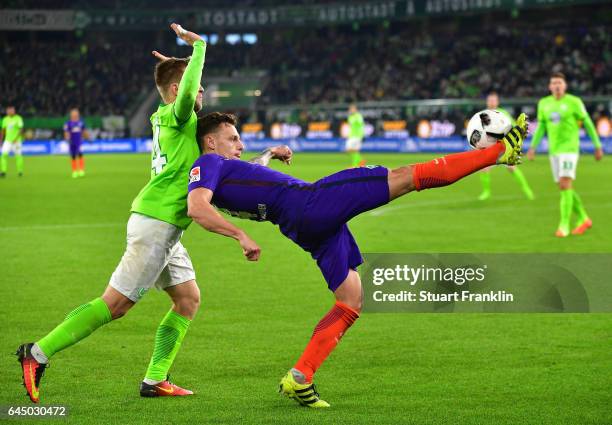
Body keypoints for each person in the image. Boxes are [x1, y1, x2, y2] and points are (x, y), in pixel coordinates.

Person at [186, 112, 528, 408]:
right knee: (407, 177)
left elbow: (249, 172)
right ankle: (499, 152)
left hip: (302, 226)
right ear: (211, 143)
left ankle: (300, 376)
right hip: (311, 203)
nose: (239, 145)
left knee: (350, 299)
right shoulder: (208, 163)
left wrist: (270, 153)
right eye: (232, 139)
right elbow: (197, 206)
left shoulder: (225, 169)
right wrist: (240, 236)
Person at [17, 23, 209, 403]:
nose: (202, 90)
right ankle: (36, 353)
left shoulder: (166, 118)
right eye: (197, 84)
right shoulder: (177, 114)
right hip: (156, 225)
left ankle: (155, 379)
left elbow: (183, 90)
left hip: (168, 229)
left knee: (187, 298)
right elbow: (186, 91)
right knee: (115, 304)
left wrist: (179, 64)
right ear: (177, 89)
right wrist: (199, 47)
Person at [527, 72, 604, 237]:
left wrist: (597, 145)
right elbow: (541, 127)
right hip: (553, 151)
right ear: (549, 86)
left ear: (565, 85)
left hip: (569, 150)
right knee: (564, 186)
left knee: (564, 184)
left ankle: (564, 225)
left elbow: (588, 123)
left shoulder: (574, 102)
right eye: (553, 83)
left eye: (559, 83)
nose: (556, 86)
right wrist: (533, 147)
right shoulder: (544, 103)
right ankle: (584, 217)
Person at [477, 92, 534, 201]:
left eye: (494, 100)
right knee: (484, 168)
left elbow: (513, 127)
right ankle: (486, 192)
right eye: (490, 100)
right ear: (487, 102)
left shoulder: (503, 113)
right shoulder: (482, 115)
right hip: (490, 146)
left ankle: (526, 189)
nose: (492, 102)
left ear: (497, 102)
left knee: (511, 168)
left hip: (503, 146)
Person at [63, 108, 90, 178]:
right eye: (73, 113)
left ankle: (81, 170)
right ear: (71, 114)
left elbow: (84, 131)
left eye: (76, 113)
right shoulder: (68, 123)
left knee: (80, 154)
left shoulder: (81, 122)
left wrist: (88, 138)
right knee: (73, 156)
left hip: (79, 142)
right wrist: (67, 139)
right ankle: (74, 171)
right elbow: (66, 132)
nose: (75, 114)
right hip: (72, 142)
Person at [0, 106, 25, 177]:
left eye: (11, 110)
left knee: (18, 156)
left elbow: (21, 129)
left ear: (14, 111)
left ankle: (20, 171)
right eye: (8, 111)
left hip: (16, 141)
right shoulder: (5, 119)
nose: (9, 112)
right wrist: (1, 140)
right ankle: (3, 171)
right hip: (7, 141)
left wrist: (16, 138)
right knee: (3, 155)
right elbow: (3, 130)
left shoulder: (18, 118)